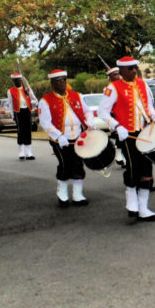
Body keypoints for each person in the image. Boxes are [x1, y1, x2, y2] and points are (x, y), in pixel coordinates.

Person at [98, 56, 155, 222]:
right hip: (128, 135)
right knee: (133, 168)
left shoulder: (142, 84)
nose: (134, 71)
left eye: (135, 68)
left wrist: (153, 114)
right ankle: (131, 201)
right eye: (130, 68)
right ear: (121, 71)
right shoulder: (113, 88)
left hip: (144, 133)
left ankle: (144, 207)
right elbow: (103, 112)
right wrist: (116, 126)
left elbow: (148, 105)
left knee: (147, 169)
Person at [38, 69, 96, 207]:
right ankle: (62, 195)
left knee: (78, 164)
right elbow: (45, 122)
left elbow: (87, 111)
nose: (63, 82)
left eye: (64, 79)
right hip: (60, 139)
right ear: (52, 82)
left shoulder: (77, 96)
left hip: (78, 136)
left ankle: (78, 195)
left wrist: (90, 120)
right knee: (65, 164)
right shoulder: (45, 100)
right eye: (59, 80)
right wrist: (58, 135)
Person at [7, 73, 38, 160]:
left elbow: (35, 100)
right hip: (18, 111)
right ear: (13, 81)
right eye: (16, 80)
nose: (18, 81)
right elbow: (10, 104)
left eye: (19, 80)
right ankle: (21, 152)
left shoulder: (27, 89)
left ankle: (29, 152)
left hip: (27, 111)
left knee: (28, 130)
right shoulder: (10, 91)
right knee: (21, 131)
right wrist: (13, 115)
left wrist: (32, 102)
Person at [105, 66, 127, 168]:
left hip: (124, 114)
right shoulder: (108, 89)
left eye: (118, 74)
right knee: (119, 136)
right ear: (110, 77)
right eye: (115, 75)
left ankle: (122, 157)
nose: (118, 76)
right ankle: (118, 156)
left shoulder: (124, 85)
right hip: (114, 115)